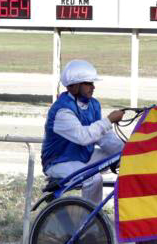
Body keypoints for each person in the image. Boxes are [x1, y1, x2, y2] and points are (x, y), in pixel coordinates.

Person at [42, 59, 125, 207]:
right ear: (74, 87)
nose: (93, 87)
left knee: (123, 157)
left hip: (82, 157)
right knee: (93, 179)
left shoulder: (93, 104)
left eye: (92, 83)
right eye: (88, 83)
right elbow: (83, 137)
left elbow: (104, 138)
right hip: (59, 162)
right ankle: (91, 222)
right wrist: (109, 120)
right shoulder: (62, 110)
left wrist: (128, 151)